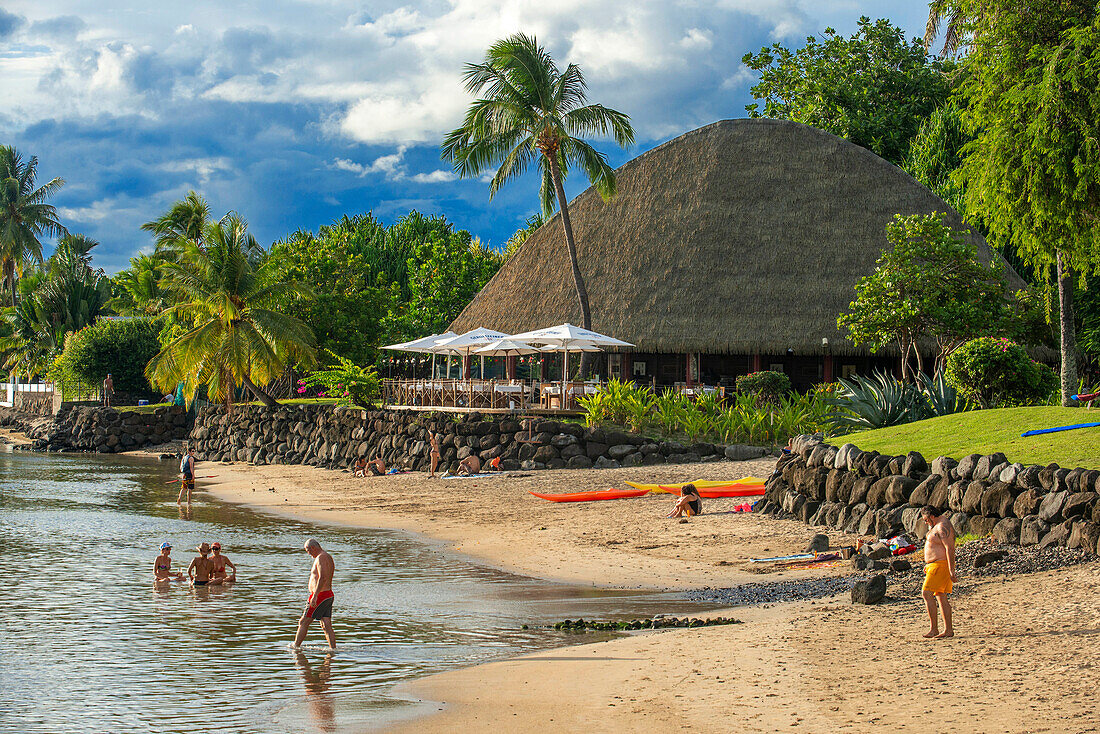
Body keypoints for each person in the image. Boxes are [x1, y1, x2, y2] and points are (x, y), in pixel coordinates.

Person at [921, 505, 958, 639]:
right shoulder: (936, 525)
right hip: (934, 565)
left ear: (932, 516)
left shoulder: (942, 526)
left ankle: (934, 629)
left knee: (926, 593)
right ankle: (948, 630)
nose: (925, 523)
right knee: (940, 596)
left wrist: (951, 570)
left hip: (940, 565)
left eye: (926, 520)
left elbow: (950, 548)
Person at [293, 538, 336, 650]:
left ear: (313, 548)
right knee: (326, 624)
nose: (308, 554)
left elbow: (322, 577)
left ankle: (295, 648)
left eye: (308, 551)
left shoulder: (322, 557)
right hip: (327, 594)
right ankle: (333, 651)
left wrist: (315, 595)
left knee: (303, 622)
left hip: (321, 595)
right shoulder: (325, 556)